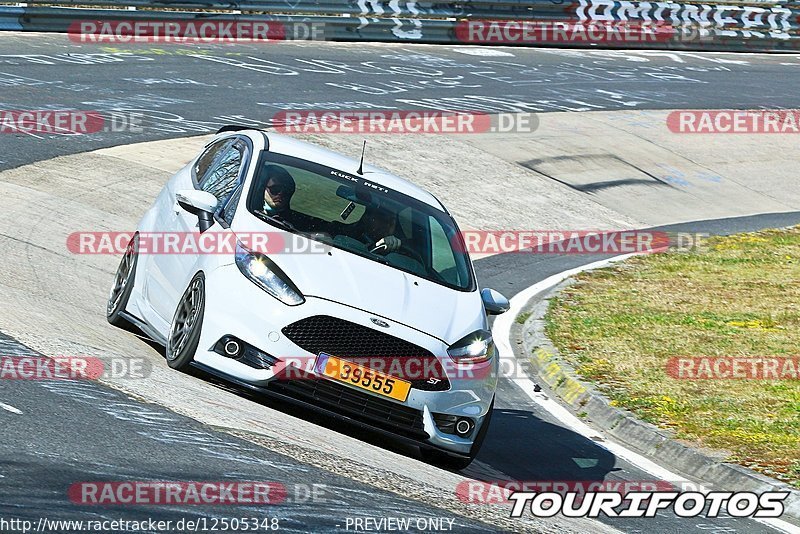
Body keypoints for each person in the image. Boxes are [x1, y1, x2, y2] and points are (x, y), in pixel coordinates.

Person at [330, 204, 402, 253]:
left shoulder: (398, 251)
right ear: (367, 217)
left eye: (392, 220)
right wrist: (374, 247)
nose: (387, 224)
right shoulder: (339, 231)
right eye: (382, 218)